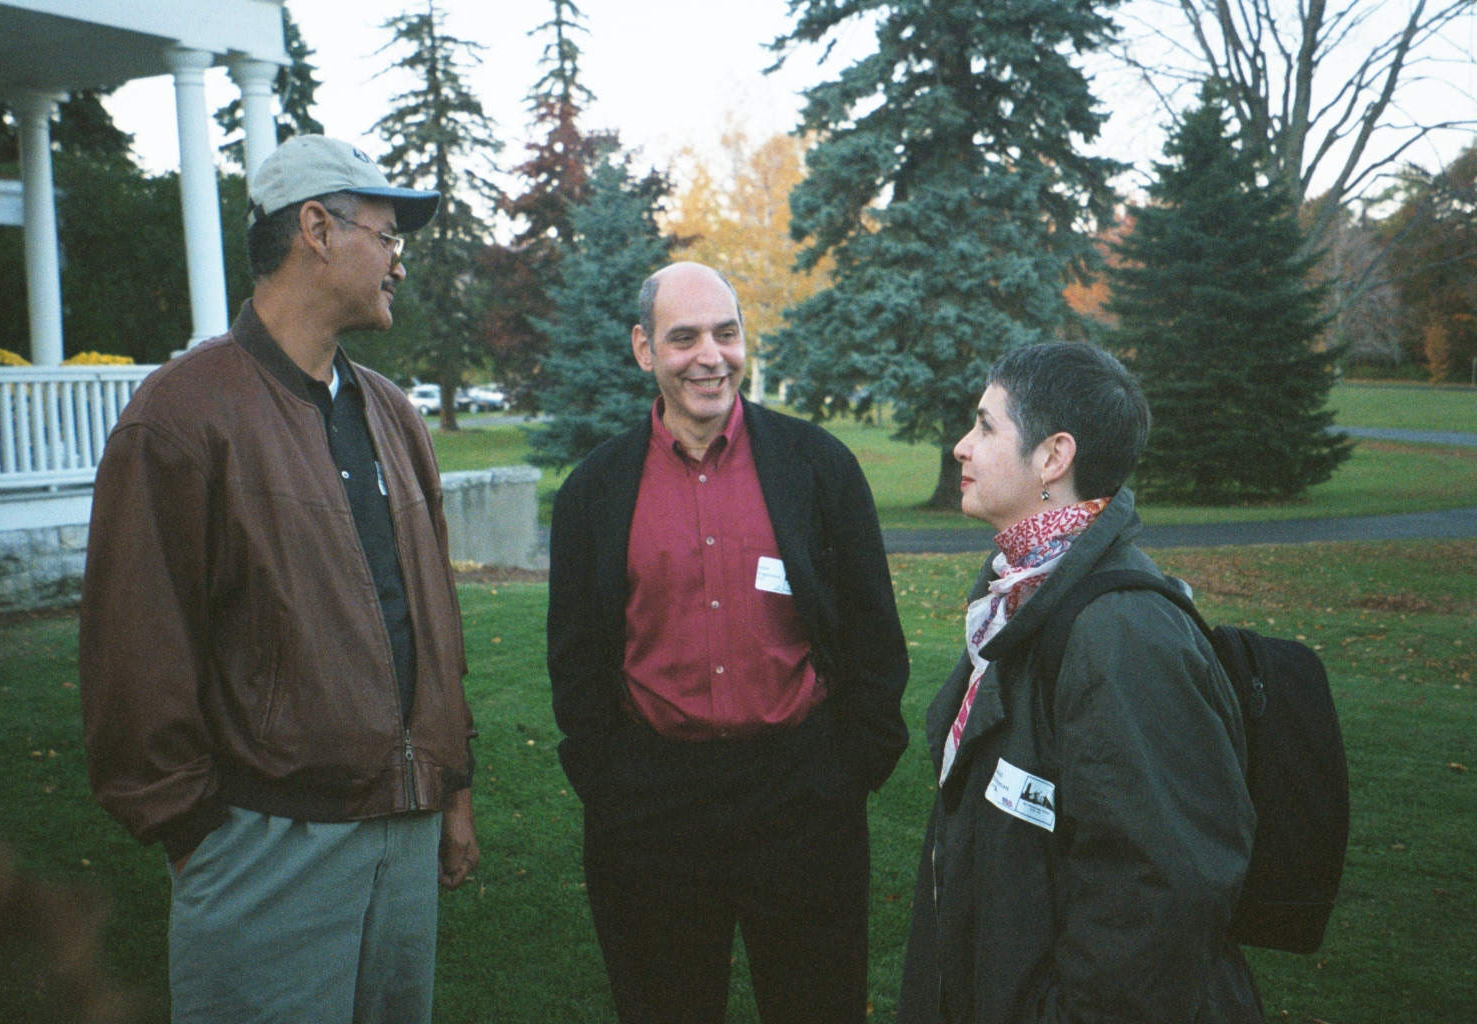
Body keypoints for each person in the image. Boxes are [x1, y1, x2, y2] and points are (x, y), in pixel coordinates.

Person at [79, 134, 479, 1024]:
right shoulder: (179, 418)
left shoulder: (393, 415)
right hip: (265, 849)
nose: (399, 265)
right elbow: (134, 654)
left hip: (403, 840)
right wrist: (192, 836)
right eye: (388, 236)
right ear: (316, 229)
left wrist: (451, 788)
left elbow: (433, 622)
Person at [547, 261, 910, 1024]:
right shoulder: (596, 489)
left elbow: (875, 638)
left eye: (726, 332)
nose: (710, 356)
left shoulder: (820, 468)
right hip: (653, 811)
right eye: (684, 338)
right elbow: (575, 657)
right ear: (645, 350)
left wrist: (847, 771)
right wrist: (610, 781)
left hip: (802, 800)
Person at [896, 342, 1262, 1024]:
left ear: (1053, 458)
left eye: (986, 426)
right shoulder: (1021, 599)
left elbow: (1160, 891)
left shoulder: (1122, 633)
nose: (961, 447)